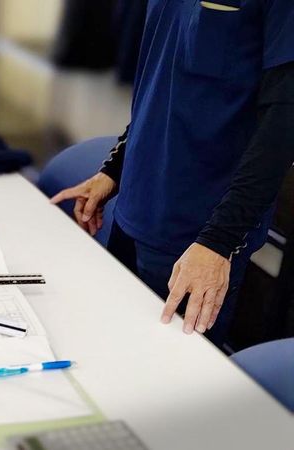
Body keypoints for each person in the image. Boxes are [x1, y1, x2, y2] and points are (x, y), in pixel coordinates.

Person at [51, 0, 294, 348]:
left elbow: (282, 128)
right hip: (131, 211)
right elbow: (161, 81)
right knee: (105, 351)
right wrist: (114, 171)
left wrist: (218, 242)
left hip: (198, 238)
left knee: (170, 374)